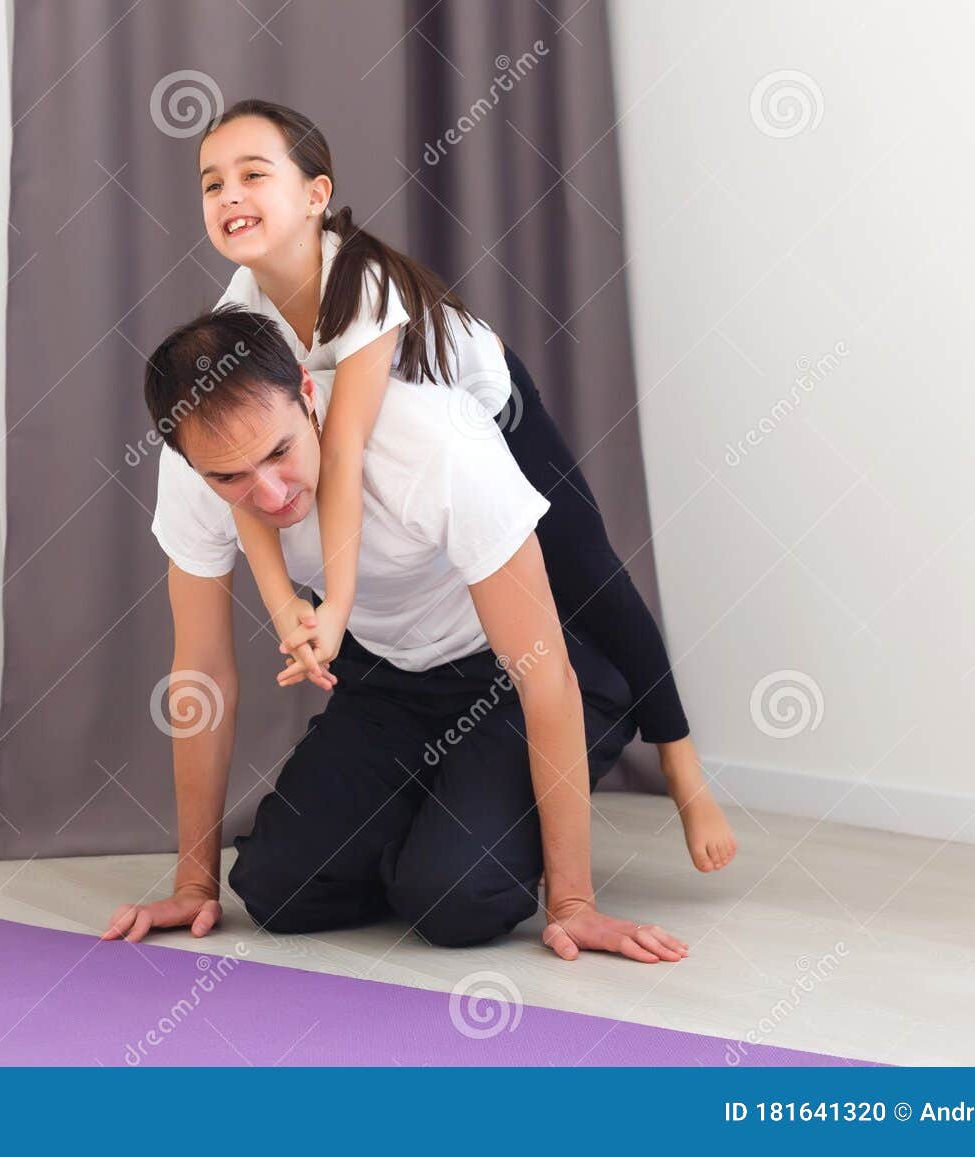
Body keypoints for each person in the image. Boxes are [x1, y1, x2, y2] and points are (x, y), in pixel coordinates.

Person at [192, 99, 735, 872]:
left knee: (587, 572)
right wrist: (288, 608)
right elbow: (245, 479)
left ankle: (682, 768)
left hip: (491, 411)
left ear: (316, 194)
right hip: (399, 447)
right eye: (212, 184)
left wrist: (335, 606)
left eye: (253, 174)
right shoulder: (237, 320)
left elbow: (343, 451)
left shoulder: (363, 279)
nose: (229, 196)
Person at [102, 305, 710, 961]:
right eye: (230, 477)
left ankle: (453, 841)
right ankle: (438, 820)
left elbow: (545, 670)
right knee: (278, 888)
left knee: (454, 899)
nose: (271, 493)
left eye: (279, 452)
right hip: (390, 682)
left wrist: (572, 902)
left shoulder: (433, 440)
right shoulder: (195, 471)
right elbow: (204, 669)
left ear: (309, 396)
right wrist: (194, 881)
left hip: (530, 671)